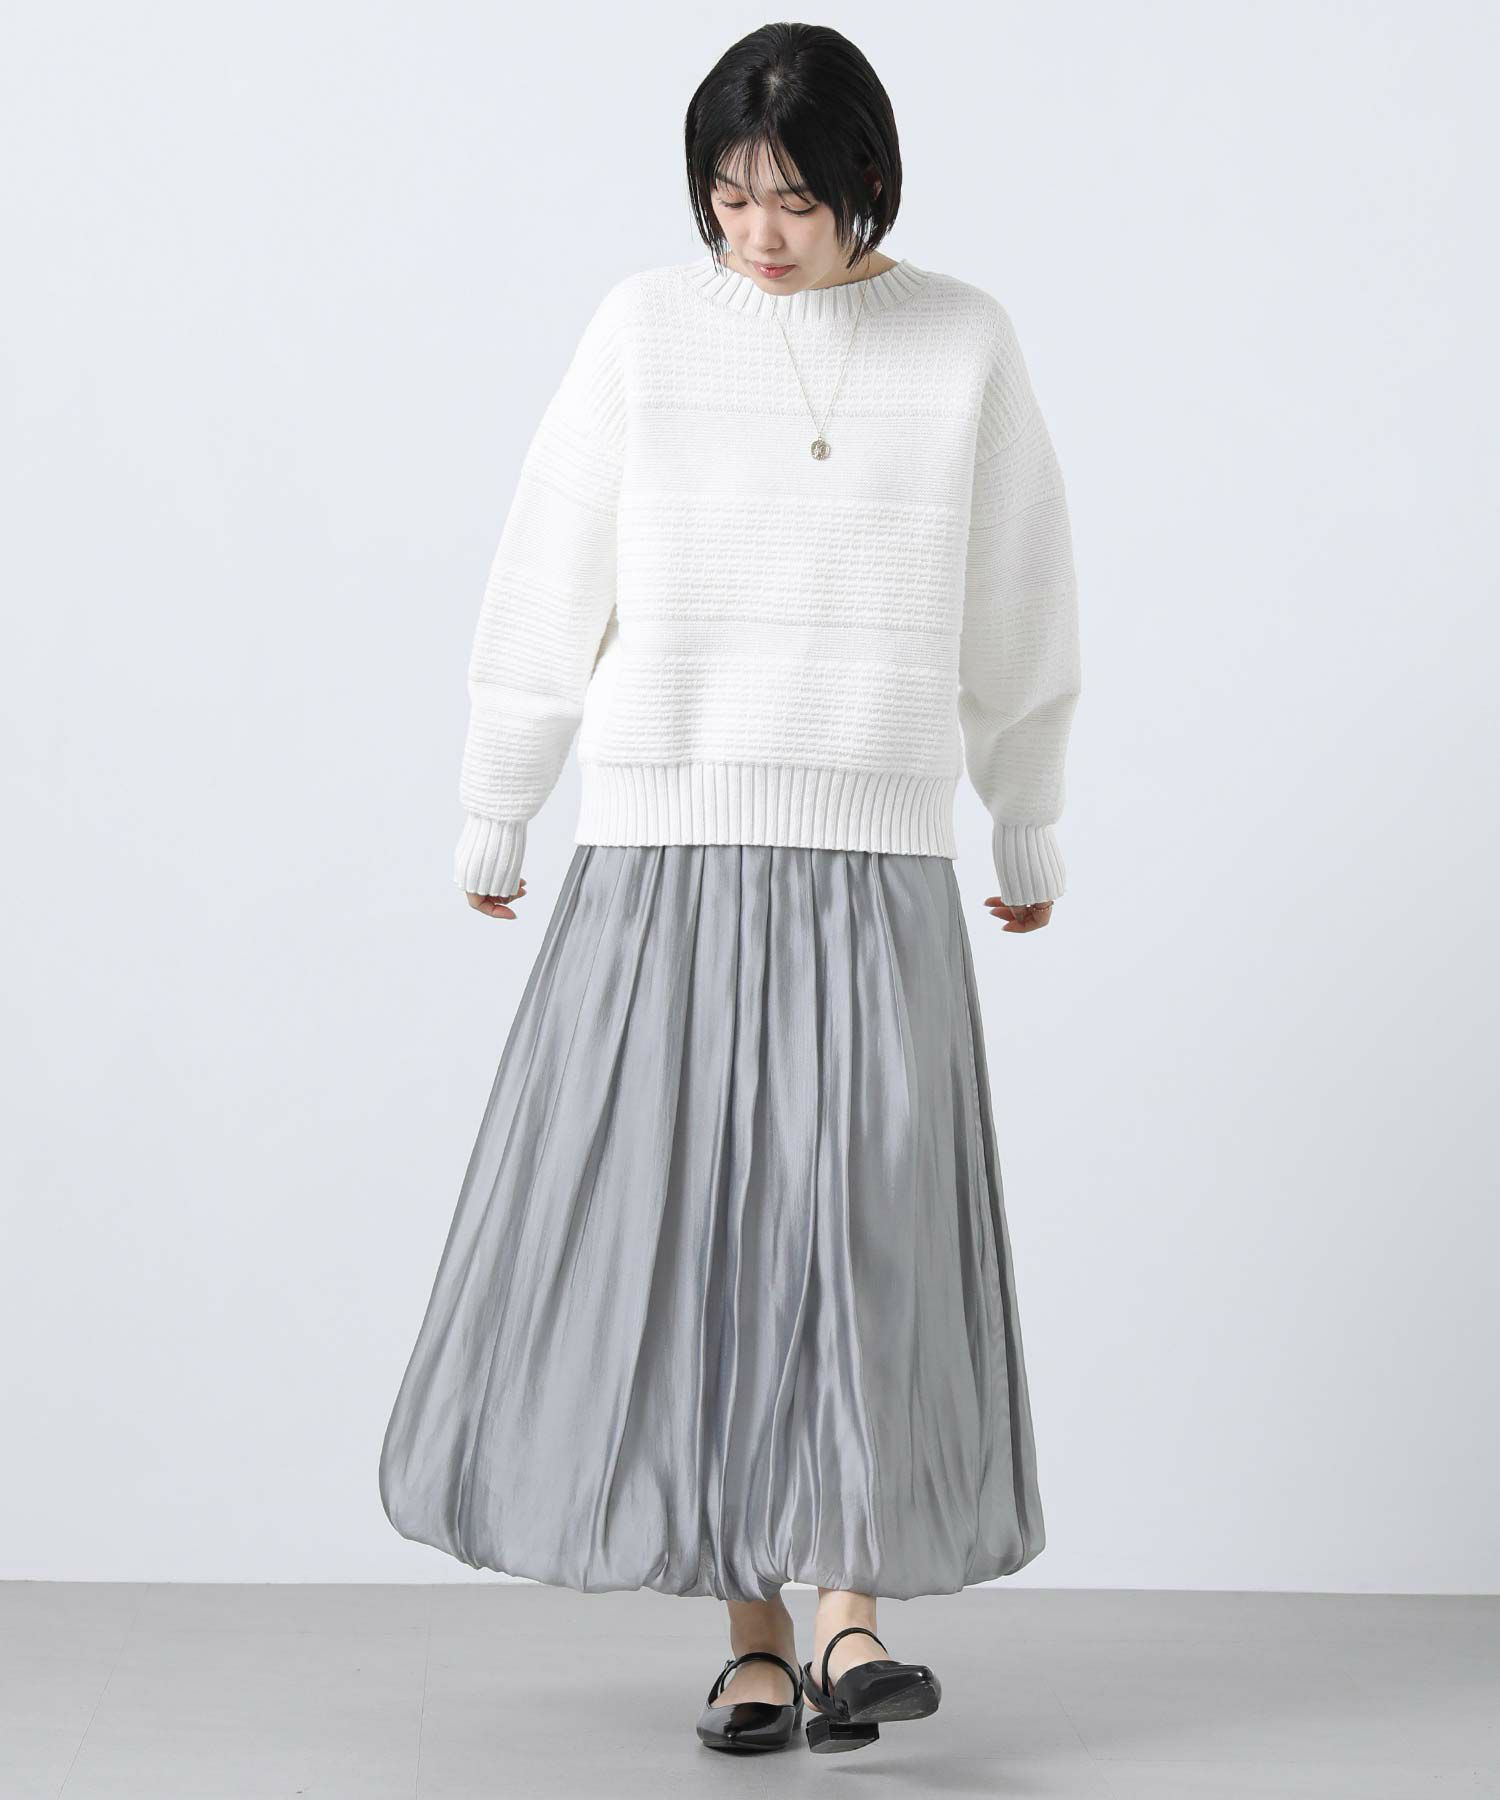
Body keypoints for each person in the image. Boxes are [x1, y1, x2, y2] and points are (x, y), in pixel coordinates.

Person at [378, 20, 1082, 1760]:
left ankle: (851, 1617)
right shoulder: (644, 329)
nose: (757, 232)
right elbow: (549, 569)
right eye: (729, 193)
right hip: (668, 849)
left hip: (876, 854)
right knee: (706, 1242)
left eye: (794, 198)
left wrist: (1026, 819)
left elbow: (1019, 601)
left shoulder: (962, 341)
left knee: (863, 1235)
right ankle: (756, 1644)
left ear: (869, 184)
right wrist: (499, 799)